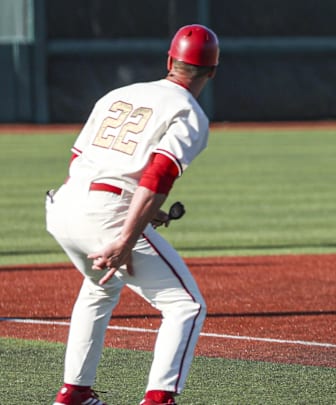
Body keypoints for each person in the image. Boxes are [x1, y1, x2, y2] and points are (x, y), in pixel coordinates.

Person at [46, 24, 219, 404]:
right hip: (107, 214)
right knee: (185, 305)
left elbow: (80, 159)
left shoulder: (119, 94)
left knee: (99, 286)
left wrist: (140, 213)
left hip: (64, 204)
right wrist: (126, 236)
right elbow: (159, 173)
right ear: (212, 72)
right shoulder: (189, 112)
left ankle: (74, 392)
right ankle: (158, 399)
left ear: (170, 60)